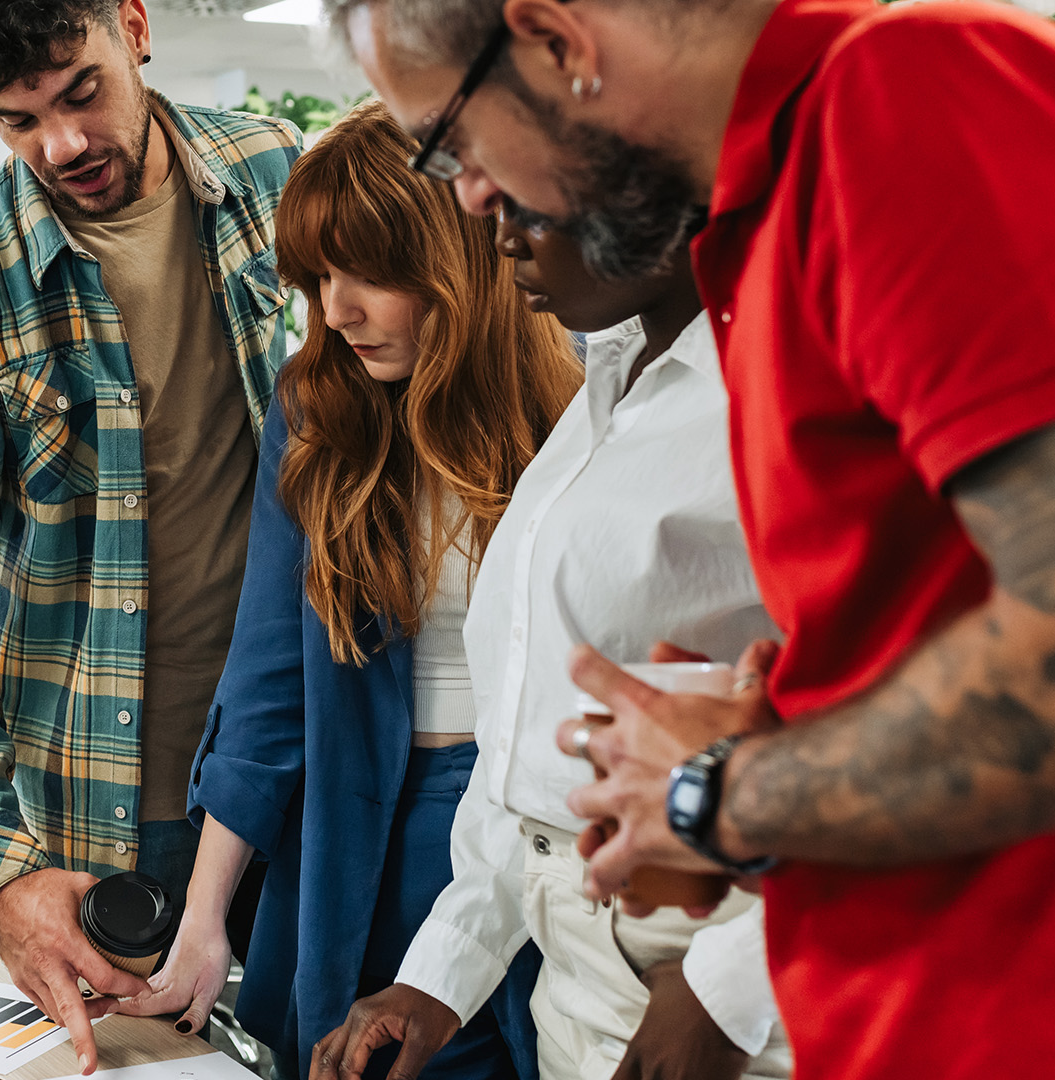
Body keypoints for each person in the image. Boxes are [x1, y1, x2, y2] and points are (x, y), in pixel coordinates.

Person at [327, 1, 1055, 1078]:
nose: (474, 196)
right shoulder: (756, 239)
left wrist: (718, 792)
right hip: (898, 997)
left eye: (455, 144)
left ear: (555, 39)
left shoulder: (907, 94)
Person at [113, 100, 580, 1080]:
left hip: (542, 824)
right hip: (364, 819)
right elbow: (268, 688)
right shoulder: (319, 409)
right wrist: (203, 924)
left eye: (370, 274)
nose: (337, 309)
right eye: (320, 276)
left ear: (458, 261)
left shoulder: (581, 402)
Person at [0, 0, 299, 1069]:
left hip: (296, 762)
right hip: (110, 806)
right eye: (15, 120)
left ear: (134, 25)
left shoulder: (273, 176)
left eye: (80, 91)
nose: (62, 145)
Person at [315, 201, 791, 1080]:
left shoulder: (780, 388)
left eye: (520, 198)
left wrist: (728, 988)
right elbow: (527, 746)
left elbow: (926, 724)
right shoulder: (610, 381)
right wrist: (442, 973)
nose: (493, 233)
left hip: (719, 979)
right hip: (576, 974)